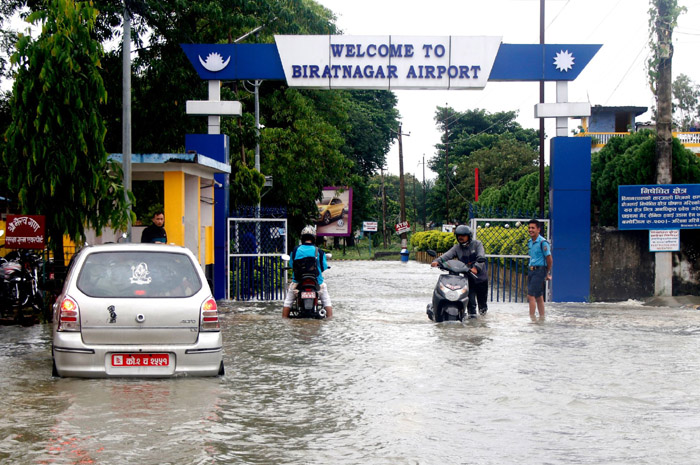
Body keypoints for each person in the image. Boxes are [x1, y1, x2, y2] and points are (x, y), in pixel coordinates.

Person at [431, 224, 488, 317]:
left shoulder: (477, 244)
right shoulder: (457, 247)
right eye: (458, 236)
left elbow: (481, 256)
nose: (460, 238)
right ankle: (472, 322)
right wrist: (437, 261)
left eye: (463, 236)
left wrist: (476, 267)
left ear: (469, 236)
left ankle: (483, 321)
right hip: (467, 279)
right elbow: (447, 255)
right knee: (471, 303)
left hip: (480, 278)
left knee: (482, 305)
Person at [282, 225, 333, 318]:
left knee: (288, 302)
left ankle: (284, 320)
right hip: (317, 282)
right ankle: (330, 319)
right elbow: (323, 267)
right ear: (314, 238)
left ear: (302, 238)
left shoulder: (296, 250)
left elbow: (292, 265)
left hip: (298, 282)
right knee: (326, 301)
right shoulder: (319, 251)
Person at [526, 219, 553, 320]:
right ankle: (542, 318)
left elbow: (549, 258)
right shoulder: (530, 242)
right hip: (532, 270)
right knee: (538, 295)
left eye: (533, 228)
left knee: (530, 295)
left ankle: (532, 319)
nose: (530, 230)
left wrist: (547, 272)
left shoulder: (543, 242)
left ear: (538, 229)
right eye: (529, 228)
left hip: (540, 270)